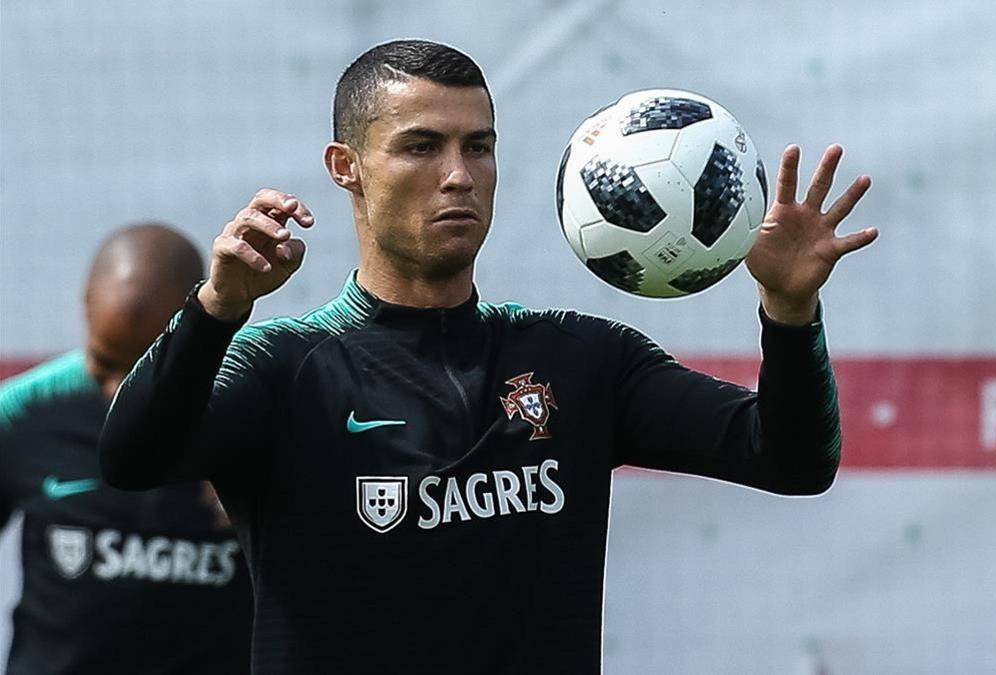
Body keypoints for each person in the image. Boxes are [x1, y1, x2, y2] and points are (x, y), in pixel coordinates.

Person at [99, 40, 877, 674]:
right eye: (421, 146)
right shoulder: (284, 363)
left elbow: (790, 459)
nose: (459, 176)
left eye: (479, 146)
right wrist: (216, 309)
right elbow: (132, 456)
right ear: (347, 168)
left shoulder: (580, 358)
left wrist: (790, 312)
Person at [0, 223, 253, 674]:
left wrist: (262, 501)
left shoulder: (252, 419)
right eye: (104, 362)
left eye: (145, 366)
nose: (120, 392)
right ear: (86, 308)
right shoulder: (22, 412)